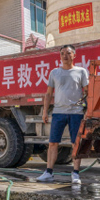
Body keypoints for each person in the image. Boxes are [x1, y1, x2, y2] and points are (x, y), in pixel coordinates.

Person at [38, 45, 89, 185]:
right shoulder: (54, 73)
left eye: (68, 53)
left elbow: (87, 92)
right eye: (62, 53)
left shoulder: (81, 72)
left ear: (74, 55)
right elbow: (48, 94)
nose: (65, 56)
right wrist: (45, 111)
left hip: (76, 113)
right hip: (58, 113)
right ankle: (48, 172)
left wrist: (87, 110)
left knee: (75, 144)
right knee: (53, 143)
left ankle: (76, 173)